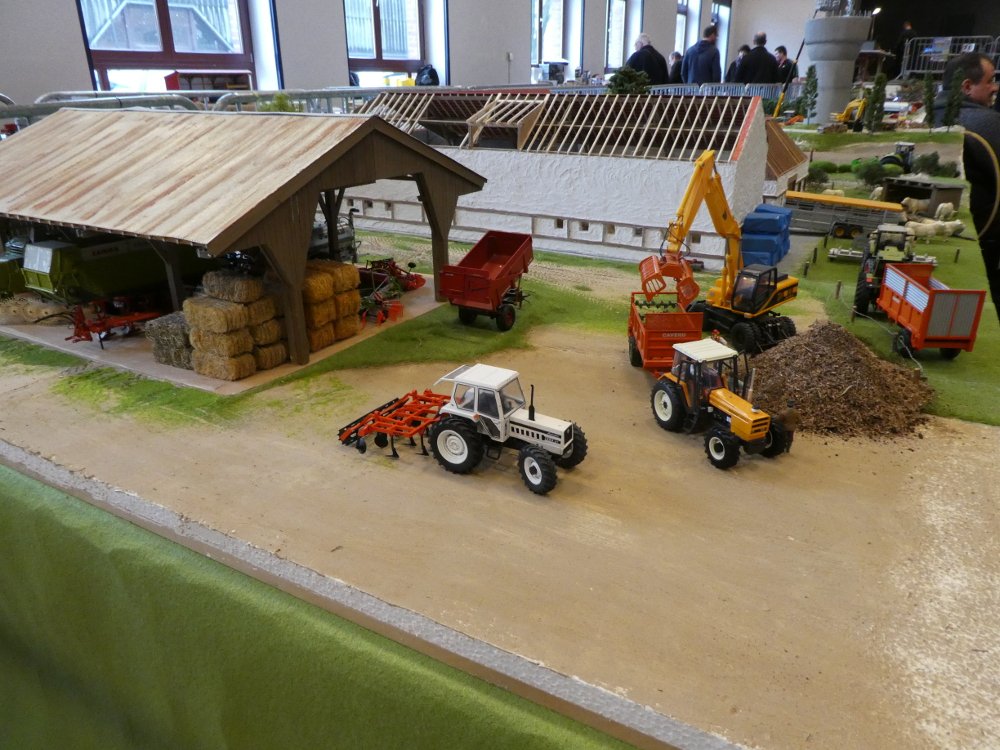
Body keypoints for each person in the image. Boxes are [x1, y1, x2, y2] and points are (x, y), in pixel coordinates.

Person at [932, 53, 1000, 324]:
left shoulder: (928, 116)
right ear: (967, 86)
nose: (995, 87)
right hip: (987, 239)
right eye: (990, 80)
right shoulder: (990, 125)